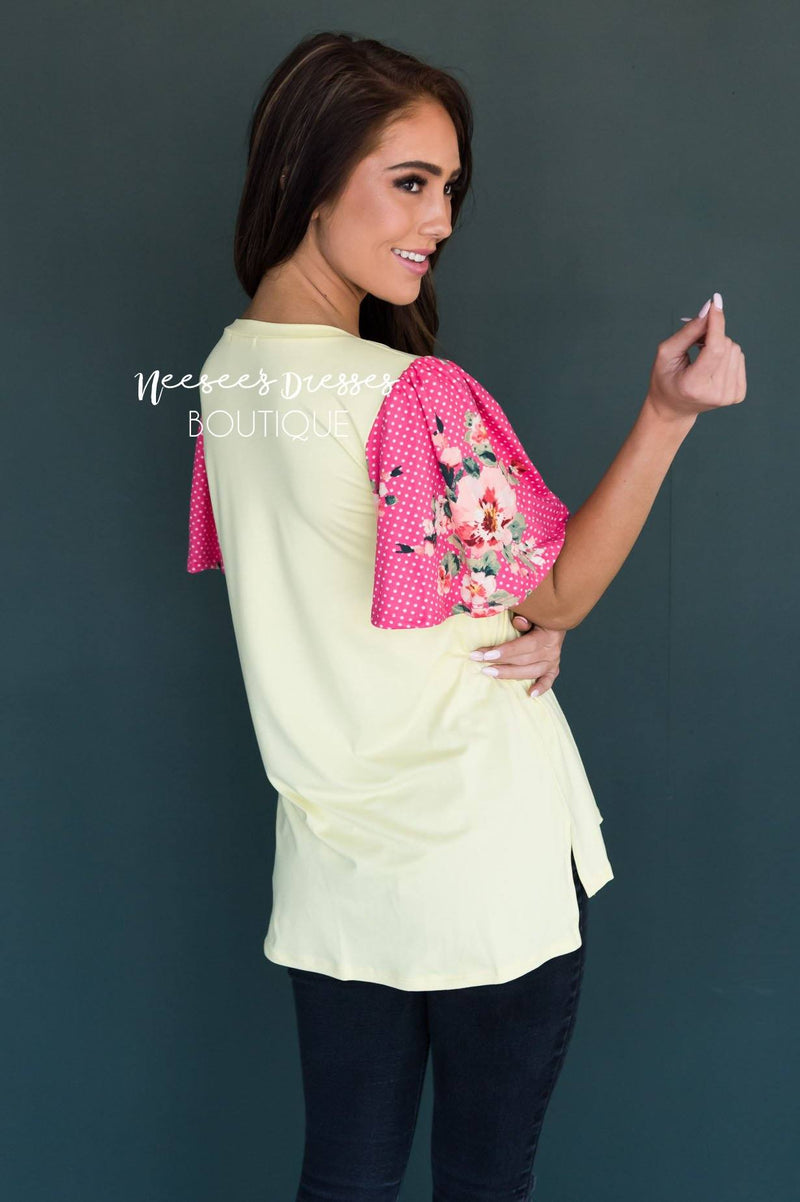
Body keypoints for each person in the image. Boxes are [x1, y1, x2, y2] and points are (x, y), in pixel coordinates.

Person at [186, 31, 746, 1202]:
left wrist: (511, 613)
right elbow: (557, 588)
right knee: (482, 1182)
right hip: (480, 858)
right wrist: (665, 413)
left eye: (448, 188)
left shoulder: (226, 373)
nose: (437, 220)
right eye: (408, 181)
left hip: (337, 872)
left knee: (342, 1176)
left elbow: (349, 575)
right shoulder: (409, 392)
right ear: (305, 172)